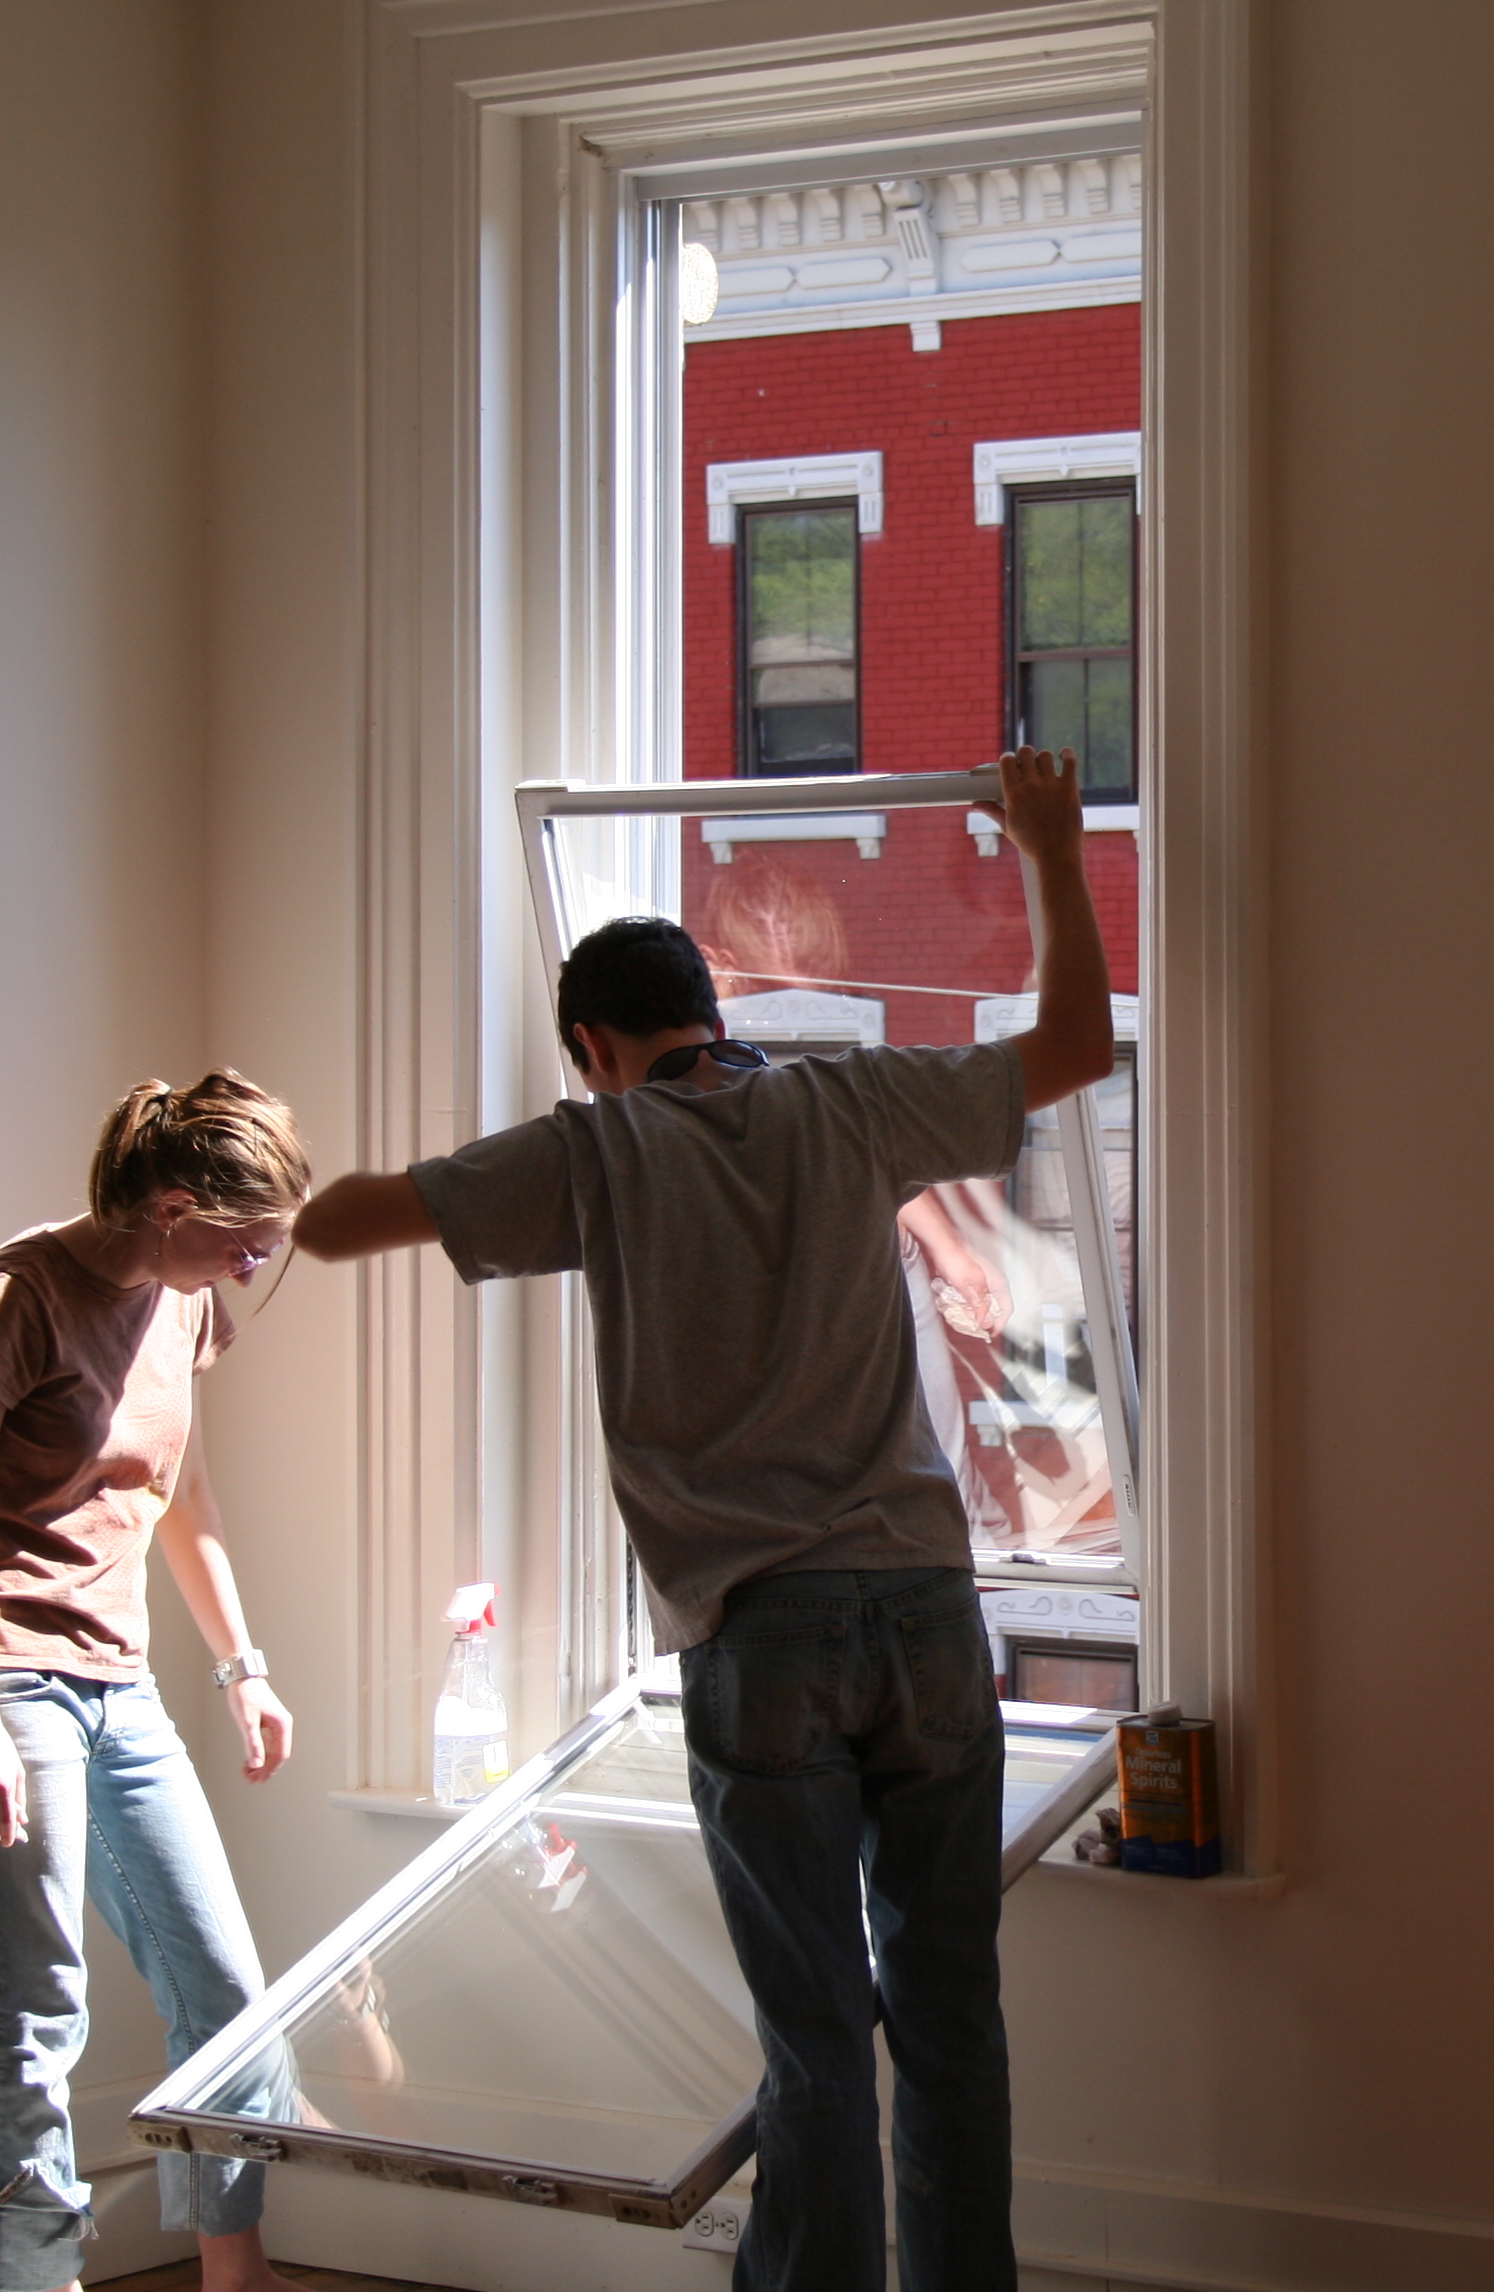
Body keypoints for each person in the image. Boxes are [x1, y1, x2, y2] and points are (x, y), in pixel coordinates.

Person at [292, 747, 1113, 2292]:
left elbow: (342, 1228)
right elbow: (1072, 1040)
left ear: (592, 1044)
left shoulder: (594, 1148)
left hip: (769, 1634)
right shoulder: (850, 1103)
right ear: (714, 1017)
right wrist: (1048, 846)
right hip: (930, 1615)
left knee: (812, 2045)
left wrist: (247, 1194)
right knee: (947, 2019)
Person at [0, 1070, 308, 2292]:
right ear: (174, 1206)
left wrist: (242, 1666)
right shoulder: (11, 1298)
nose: (250, 1273)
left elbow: (177, 1490)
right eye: (243, 1248)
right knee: (36, 2021)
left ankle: (236, 2277)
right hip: (5, 1683)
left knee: (225, 1992)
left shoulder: (182, 1307)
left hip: (120, 1688)